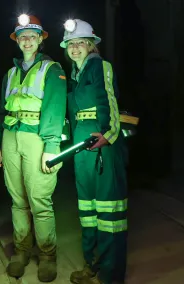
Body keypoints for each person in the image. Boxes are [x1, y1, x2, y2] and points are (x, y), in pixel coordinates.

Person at [0, 14, 67, 282]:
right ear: (17, 41)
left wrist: (51, 147)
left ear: (40, 40)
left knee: (40, 200)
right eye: (22, 36)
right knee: (18, 199)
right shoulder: (10, 73)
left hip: (38, 138)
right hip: (11, 137)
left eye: (32, 36)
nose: (27, 40)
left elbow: (55, 111)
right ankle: (21, 250)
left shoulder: (52, 69)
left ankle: (47, 254)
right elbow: (1, 110)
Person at [60, 19, 128, 284]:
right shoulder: (75, 76)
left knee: (109, 215)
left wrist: (108, 136)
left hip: (103, 149)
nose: (75, 48)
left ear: (91, 45)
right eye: (70, 44)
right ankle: (92, 265)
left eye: (80, 43)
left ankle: (111, 276)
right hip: (82, 150)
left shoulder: (100, 67)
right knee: (88, 211)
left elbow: (109, 102)